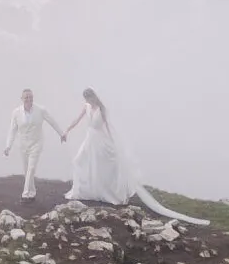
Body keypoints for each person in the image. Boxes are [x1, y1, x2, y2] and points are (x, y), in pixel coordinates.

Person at [60, 88, 209, 224]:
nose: (88, 101)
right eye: (86, 98)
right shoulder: (86, 107)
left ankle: (109, 192)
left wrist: (113, 144)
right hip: (89, 139)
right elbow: (77, 120)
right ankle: (86, 190)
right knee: (80, 161)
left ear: (94, 97)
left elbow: (108, 127)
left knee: (103, 165)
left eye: (89, 98)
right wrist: (67, 130)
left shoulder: (102, 109)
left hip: (100, 140)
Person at [3, 89, 62, 201]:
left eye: (30, 97)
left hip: (37, 143)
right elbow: (12, 130)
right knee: (26, 170)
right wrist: (8, 146)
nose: (29, 99)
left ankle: (25, 194)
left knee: (31, 168)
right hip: (23, 145)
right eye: (26, 97)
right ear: (22, 99)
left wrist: (61, 134)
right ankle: (32, 191)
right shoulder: (16, 112)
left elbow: (52, 121)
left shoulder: (40, 110)